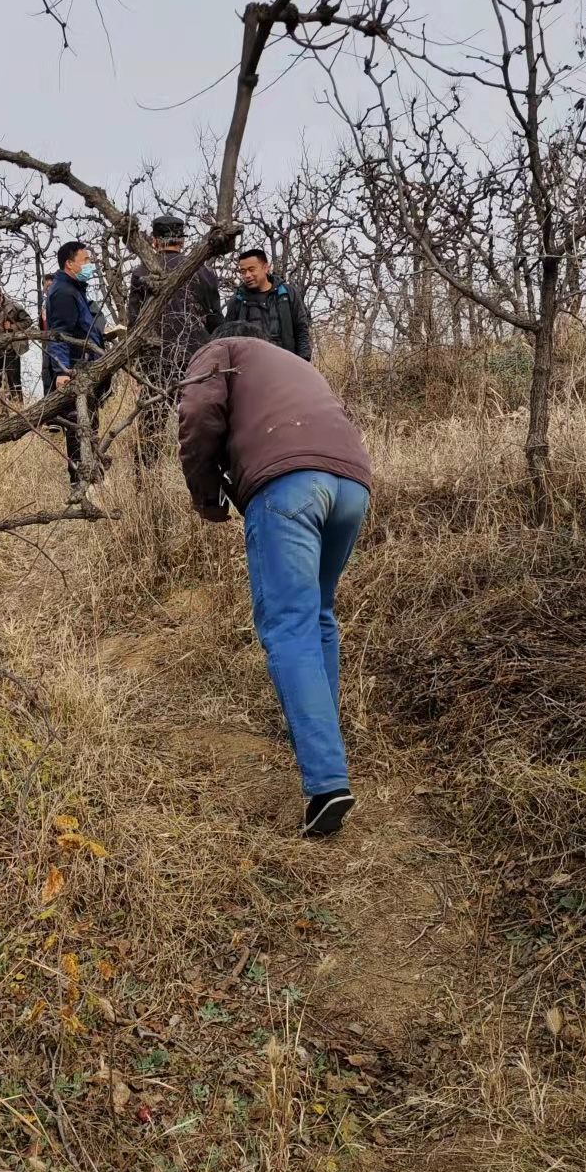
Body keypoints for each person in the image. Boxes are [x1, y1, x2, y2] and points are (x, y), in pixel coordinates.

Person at [177, 322, 371, 838]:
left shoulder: (219, 351)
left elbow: (196, 412)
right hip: (352, 483)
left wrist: (205, 497)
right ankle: (322, 733)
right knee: (319, 615)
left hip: (288, 486)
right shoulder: (297, 365)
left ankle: (327, 783)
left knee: (288, 626)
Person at [125, 214, 222, 469]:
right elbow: (216, 321)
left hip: (156, 358)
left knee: (152, 423)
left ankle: (145, 480)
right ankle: (205, 478)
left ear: (154, 241)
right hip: (196, 358)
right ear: (182, 240)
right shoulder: (204, 272)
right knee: (201, 420)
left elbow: (134, 322)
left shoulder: (142, 272)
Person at [46, 240, 108, 488]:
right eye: (86, 260)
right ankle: (80, 483)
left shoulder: (75, 288)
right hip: (74, 369)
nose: (90, 265)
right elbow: (59, 333)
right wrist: (62, 371)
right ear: (70, 264)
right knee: (77, 427)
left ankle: (94, 477)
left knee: (89, 425)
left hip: (86, 366)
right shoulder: (63, 292)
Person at [223, 247, 312, 359]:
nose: (247, 275)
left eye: (251, 269)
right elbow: (227, 339)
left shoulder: (287, 294)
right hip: (250, 366)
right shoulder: (237, 300)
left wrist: (303, 361)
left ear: (265, 268)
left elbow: (301, 330)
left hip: (285, 362)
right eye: (243, 271)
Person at [38, 271, 57, 396]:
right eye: (46, 287)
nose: (48, 289)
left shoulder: (62, 301)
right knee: (46, 374)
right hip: (48, 346)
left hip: (61, 345)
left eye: (51, 286)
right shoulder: (45, 305)